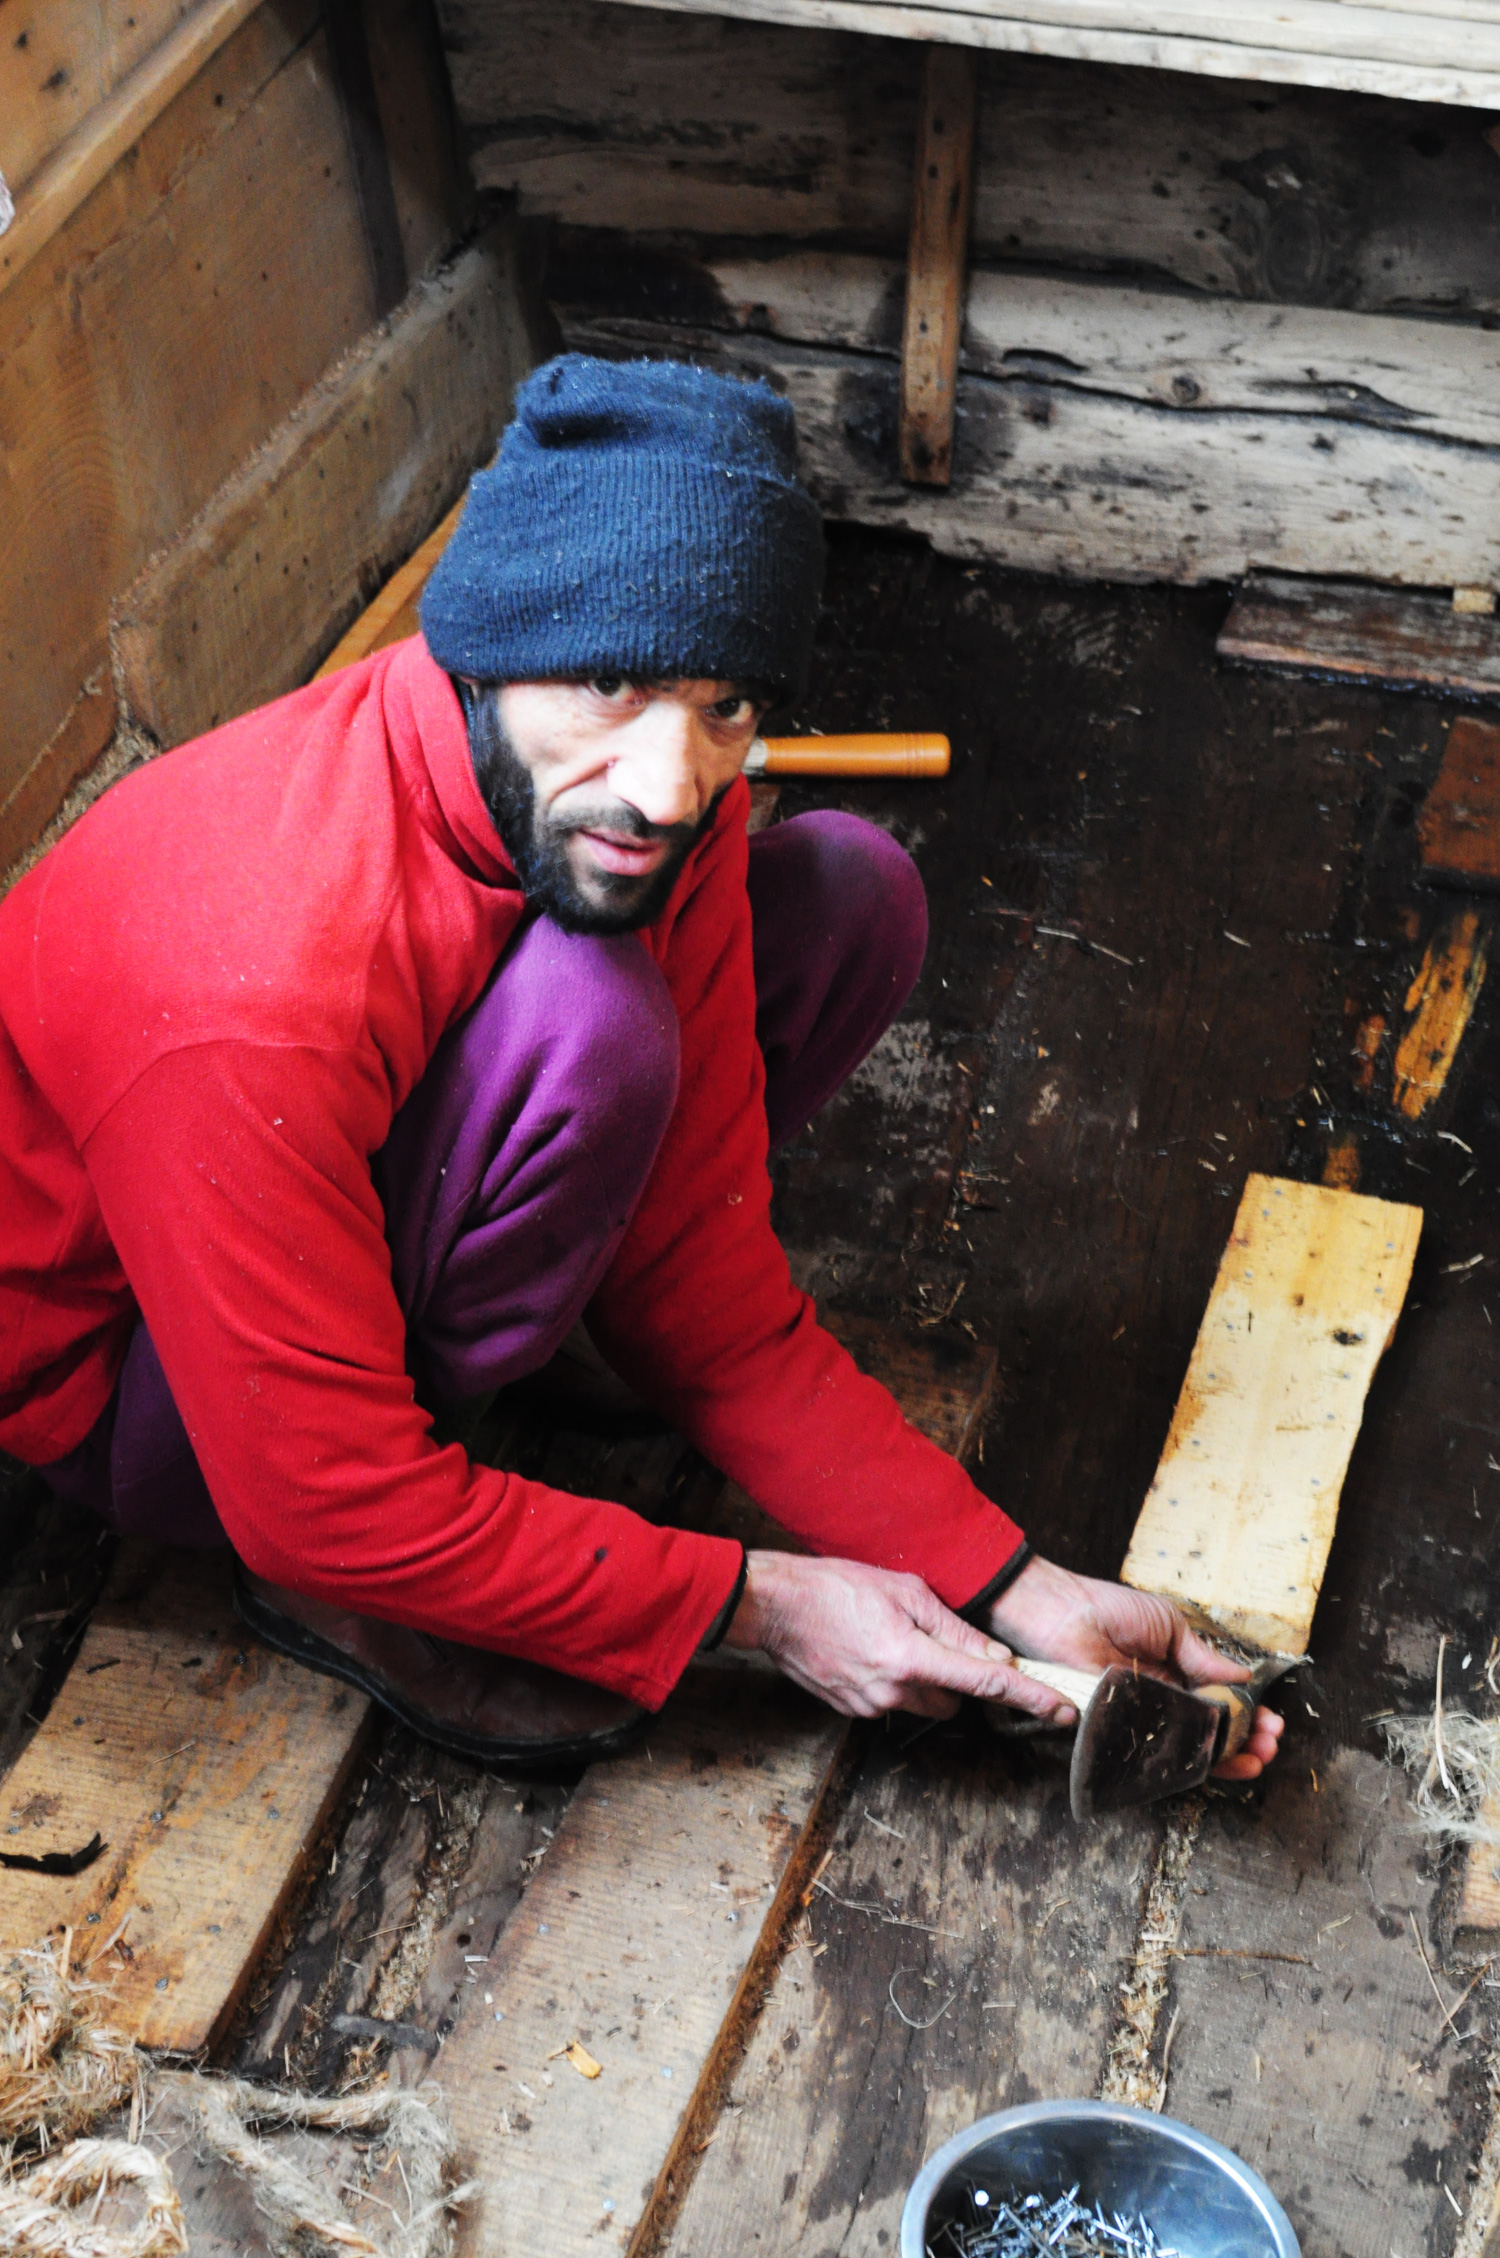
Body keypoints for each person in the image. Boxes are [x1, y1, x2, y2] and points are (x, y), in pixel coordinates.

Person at [0, 355, 1281, 1780]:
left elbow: (706, 1291)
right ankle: (376, 1590)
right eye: (611, 682)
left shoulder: (642, 797)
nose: (670, 782)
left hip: (335, 1201)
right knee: (596, 1019)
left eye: (727, 704)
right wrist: (761, 1600)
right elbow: (318, 1496)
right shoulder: (247, 978)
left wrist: (1013, 1583)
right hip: (156, 1396)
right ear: (487, 646)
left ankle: (517, 1363)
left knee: (849, 890)